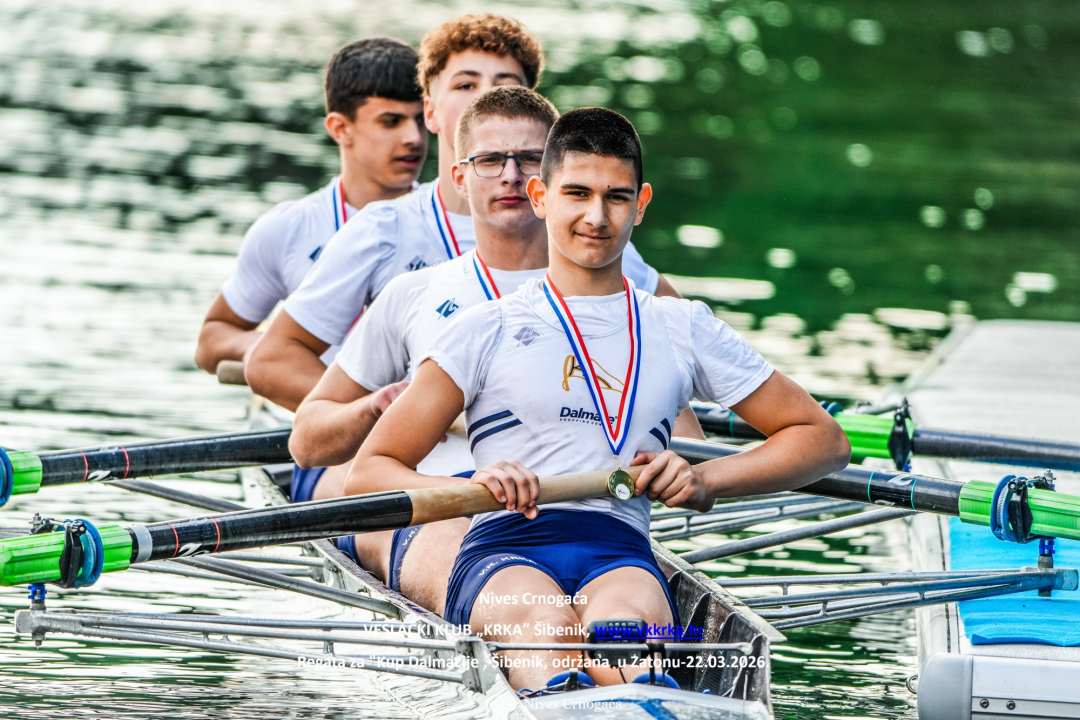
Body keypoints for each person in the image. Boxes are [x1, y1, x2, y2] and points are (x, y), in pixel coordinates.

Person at [349, 107, 851, 691]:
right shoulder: (484, 329)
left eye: (616, 197)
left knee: (625, 635)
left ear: (641, 204)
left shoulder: (683, 326)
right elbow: (369, 474)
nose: (596, 216)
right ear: (541, 197)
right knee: (548, 629)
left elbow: (823, 439)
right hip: (504, 550)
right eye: (577, 193)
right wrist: (471, 493)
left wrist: (709, 480)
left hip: (618, 551)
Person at [289, 86, 704, 614]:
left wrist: (676, 467)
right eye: (489, 160)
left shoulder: (628, 293)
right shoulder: (415, 294)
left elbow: (689, 440)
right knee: (498, 581)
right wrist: (373, 409)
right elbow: (307, 441)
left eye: (527, 158)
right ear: (460, 176)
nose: (509, 174)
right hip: (439, 505)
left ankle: (590, 656)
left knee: (600, 620)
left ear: (547, 179)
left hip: (593, 514)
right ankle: (528, 650)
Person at [246, 13, 680, 412]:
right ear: (430, 112)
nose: (488, 95)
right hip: (395, 461)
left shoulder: (582, 232)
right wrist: (398, 419)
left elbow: (679, 347)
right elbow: (272, 361)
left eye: (505, 82)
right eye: (466, 84)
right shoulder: (384, 231)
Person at [195, 38, 426, 375]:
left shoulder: (454, 222)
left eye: (420, 120)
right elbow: (210, 341)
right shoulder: (288, 229)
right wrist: (269, 348)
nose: (414, 138)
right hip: (320, 412)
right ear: (340, 128)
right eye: (391, 122)